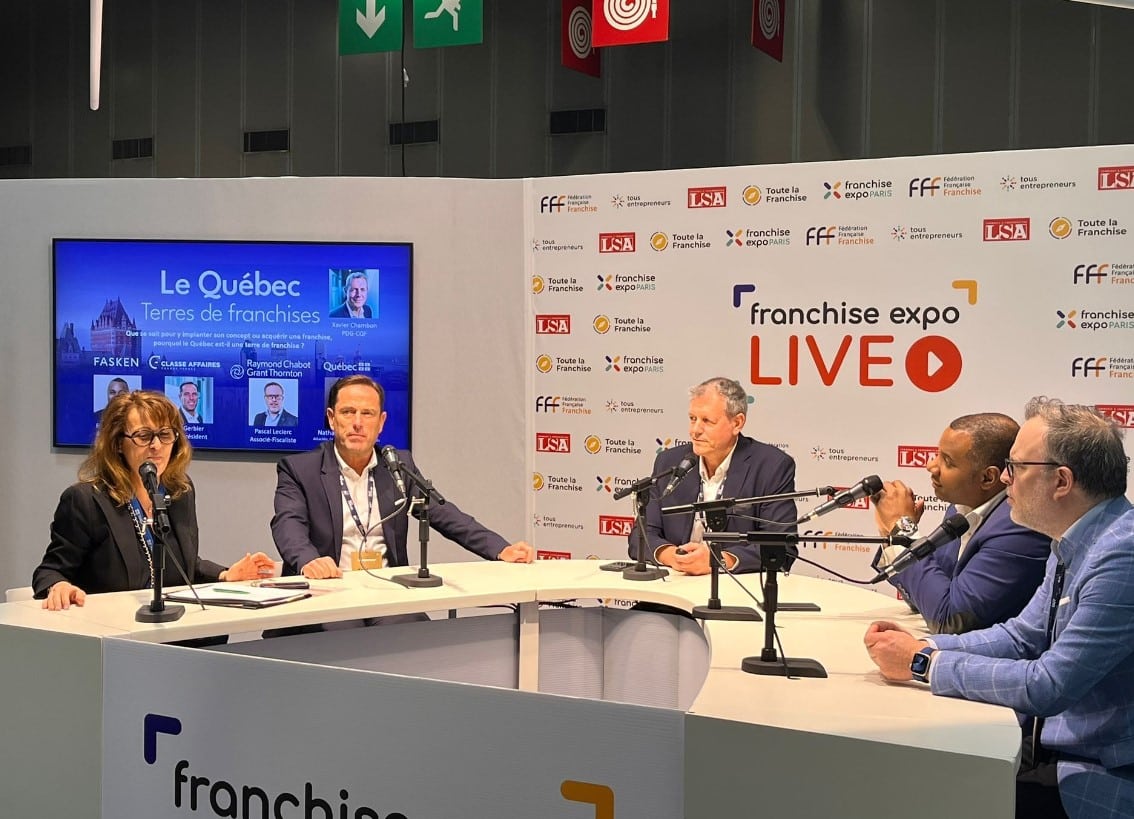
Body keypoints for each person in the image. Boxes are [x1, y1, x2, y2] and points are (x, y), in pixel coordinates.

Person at [864, 397, 1134, 819]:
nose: (1006, 479)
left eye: (1017, 468)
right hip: (1052, 755)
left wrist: (923, 663)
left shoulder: (1121, 555)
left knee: (923, 797)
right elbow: (1021, 636)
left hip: (1098, 778)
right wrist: (922, 643)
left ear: (1061, 482)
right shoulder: (1074, 537)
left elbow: (1049, 684)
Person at [271, 375, 533, 582]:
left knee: (417, 635)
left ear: (381, 422)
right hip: (330, 587)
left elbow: (445, 515)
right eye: (348, 412)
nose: (357, 423)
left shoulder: (396, 465)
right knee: (346, 634)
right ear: (331, 419)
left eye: (367, 413)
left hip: (386, 586)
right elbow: (287, 526)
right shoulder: (300, 469)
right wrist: (308, 561)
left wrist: (500, 549)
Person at [33, 390, 274, 611]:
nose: (157, 446)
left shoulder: (180, 491)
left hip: (171, 629)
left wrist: (225, 575)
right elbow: (50, 571)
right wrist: (59, 586)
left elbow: (183, 563)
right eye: (144, 436)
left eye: (165, 434)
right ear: (118, 443)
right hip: (111, 633)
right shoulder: (86, 500)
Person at [871, 413, 1050, 633]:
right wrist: (894, 536)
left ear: (988, 478)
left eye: (947, 461)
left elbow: (949, 621)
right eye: (937, 454)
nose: (931, 465)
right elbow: (927, 600)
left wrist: (903, 530)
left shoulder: (1019, 529)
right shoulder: (960, 509)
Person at [629, 377, 797, 574]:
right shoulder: (669, 462)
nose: (695, 430)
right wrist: (673, 556)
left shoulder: (771, 466)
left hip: (736, 592)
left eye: (707, 421)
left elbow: (782, 547)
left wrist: (717, 561)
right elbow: (641, 535)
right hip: (675, 587)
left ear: (737, 423)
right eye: (693, 419)